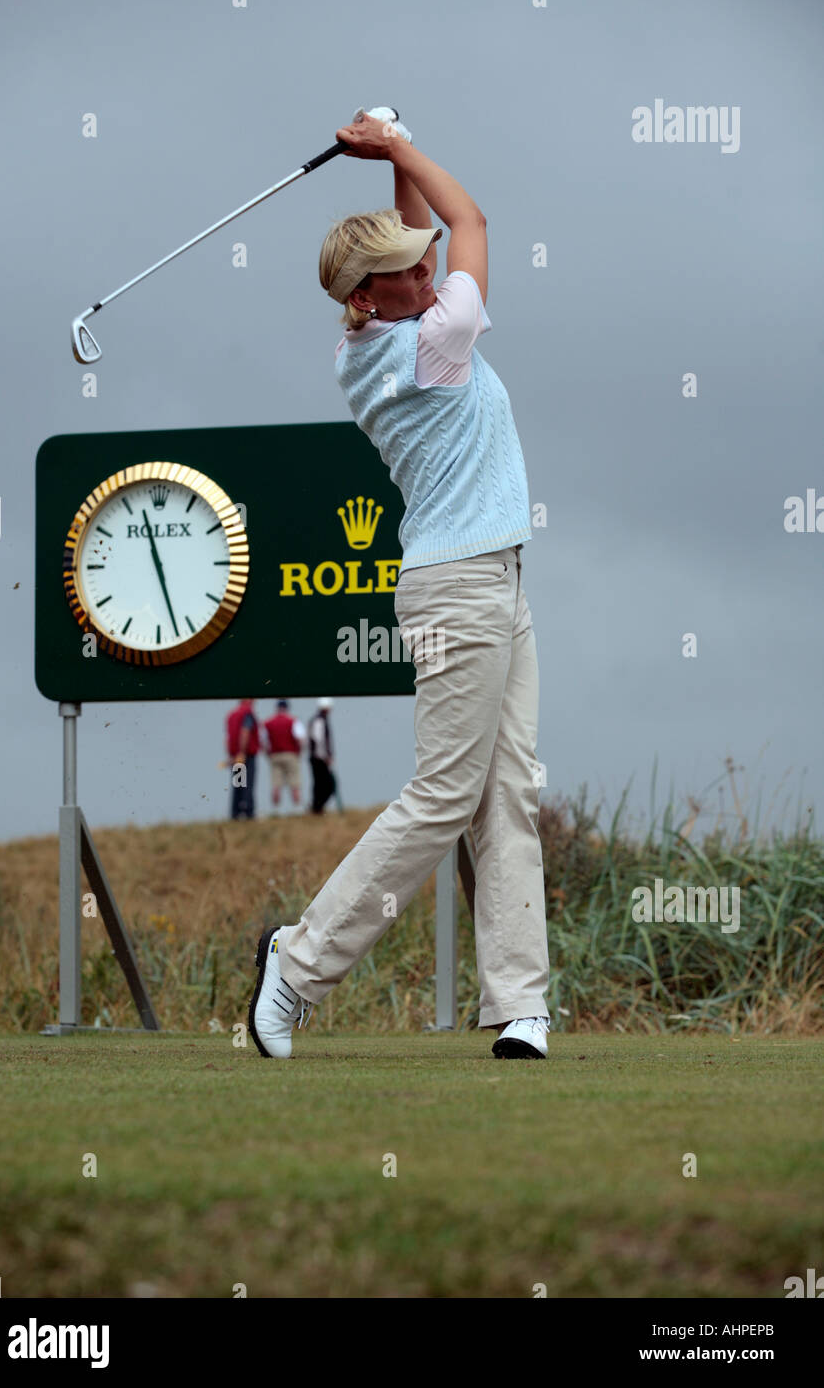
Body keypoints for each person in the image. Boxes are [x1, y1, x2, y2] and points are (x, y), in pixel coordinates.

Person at [248, 114, 550, 1062]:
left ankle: (519, 1006)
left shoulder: (371, 339)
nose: (430, 275)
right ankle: (296, 967)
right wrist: (398, 151)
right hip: (460, 591)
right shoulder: (439, 338)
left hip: (493, 576)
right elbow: (477, 223)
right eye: (409, 274)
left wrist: (393, 156)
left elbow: (423, 231)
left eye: (426, 266)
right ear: (366, 298)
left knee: (508, 792)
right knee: (444, 795)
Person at [264, 699, 305, 811]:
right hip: (290, 754)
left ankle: (276, 809)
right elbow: (300, 739)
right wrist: (299, 753)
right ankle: (297, 808)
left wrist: (268, 754)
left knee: (276, 784)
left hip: (275, 755)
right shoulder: (293, 721)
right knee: (294, 783)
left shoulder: (268, 722)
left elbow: (264, 741)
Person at [226, 698, 259, 820]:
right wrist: (242, 752)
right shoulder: (247, 713)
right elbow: (245, 731)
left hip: (235, 755)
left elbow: (228, 737)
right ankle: (248, 812)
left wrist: (231, 755)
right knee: (247, 784)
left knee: (237, 784)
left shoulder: (231, 715)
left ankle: (235, 813)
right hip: (246, 755)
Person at [307, 697, 337, 815]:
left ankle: (317, 807)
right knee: (326, 785)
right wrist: (326, 757)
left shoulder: (319, 720)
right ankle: (317, 808)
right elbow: (319, 741)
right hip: (319, 759)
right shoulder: (319, 721)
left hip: (318, 758)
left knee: (321, 784)